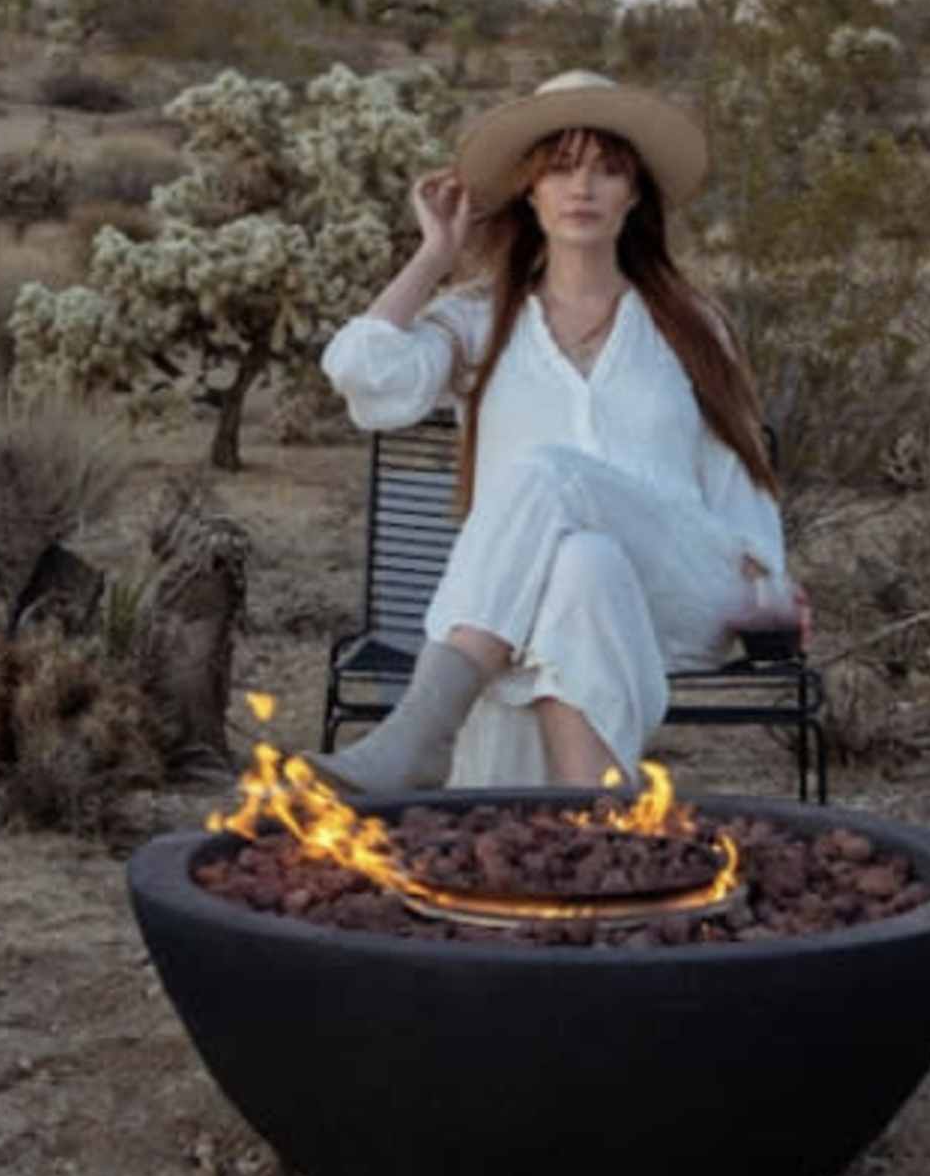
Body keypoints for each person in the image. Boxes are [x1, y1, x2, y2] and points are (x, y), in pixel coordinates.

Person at [312, 70, 804, 794]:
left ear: (634, 197)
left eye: (608, 171)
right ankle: (597, 828)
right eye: (561, 169)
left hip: (684, 588)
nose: (583, 189)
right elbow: (361, 372)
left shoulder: (689, 323)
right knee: (582, 564)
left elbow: (737, 473)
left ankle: (424, 726)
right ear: (528, 191)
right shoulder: (481, 318)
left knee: (550, 472)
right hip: (542, 600)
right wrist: (434, 258)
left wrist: (772, 587)